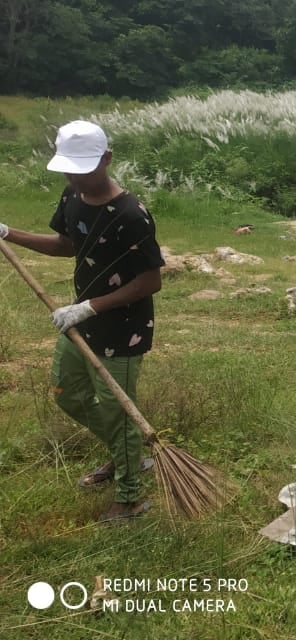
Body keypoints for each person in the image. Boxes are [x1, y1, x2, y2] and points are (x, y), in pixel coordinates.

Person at [0, 121, 164, 522]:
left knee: (117, 411)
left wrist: (89, 307)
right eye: (69, 169)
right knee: (66, 392)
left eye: (84, 168)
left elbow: (151, 280)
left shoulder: (132, 214)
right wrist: (8, 232)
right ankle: (124, 452)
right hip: (80, 322)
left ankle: (128, 497)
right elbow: (67, 245)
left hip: (122, 330)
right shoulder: (72, 195)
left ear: (107, 159)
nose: (76, 177)